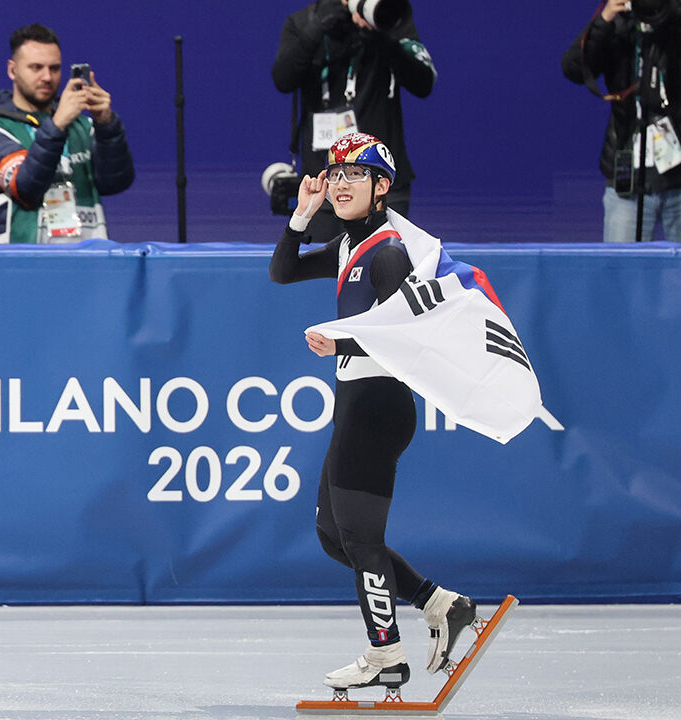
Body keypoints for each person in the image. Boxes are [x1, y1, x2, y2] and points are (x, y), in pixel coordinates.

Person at [269, 133, 475, 695]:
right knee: (334, 536)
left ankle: (386, 654)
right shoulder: (346, 246)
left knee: (359, 538)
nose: (338, 184)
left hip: (379, 404)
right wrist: (302, 214)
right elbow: (282, 272)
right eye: (333, 175)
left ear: (382, 188)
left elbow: (409, 333)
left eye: (352, 176)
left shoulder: (387, 252)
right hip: (353, 405)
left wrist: (344, 344)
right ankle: (440, 604)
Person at [561, 0, 681, 243]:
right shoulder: (619, 25)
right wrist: (604, 19)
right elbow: (574, 68)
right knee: (623, 276)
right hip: (628, 183)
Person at [272, 0, 435, 240]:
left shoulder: (387, 15)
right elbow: (283, 79)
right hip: (324, 183)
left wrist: (381, 35)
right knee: (321, 269)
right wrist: (321, 26)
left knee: (385, 268)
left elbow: (423, 83)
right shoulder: (304, 21)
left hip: (382, 183)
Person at [0, 23, 134, 244]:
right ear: (12, 70)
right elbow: (26, 188)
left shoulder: (83, 126)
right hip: (22, 269)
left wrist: (107, 126)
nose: (47, 77)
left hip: (88, 263)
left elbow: (116, 183)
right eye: (36, 67)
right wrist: (57, 125)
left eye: (54, 68)